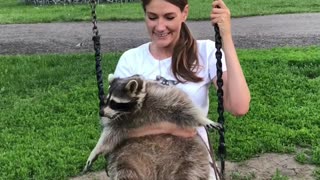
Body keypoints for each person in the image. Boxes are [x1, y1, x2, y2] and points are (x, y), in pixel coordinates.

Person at [113, 0, 251, 179]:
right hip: (145, 168)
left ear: (184, 13)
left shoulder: (205, 52)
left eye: (169, 17)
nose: (160, 27)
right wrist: (175, 128)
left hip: (191, 166)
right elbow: (117, 126)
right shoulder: (131, 60)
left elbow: (239, 106)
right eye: (152, 17)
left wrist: (226, 37)